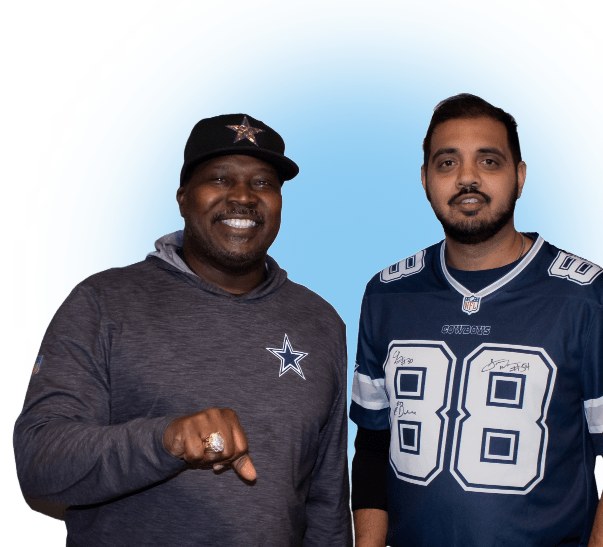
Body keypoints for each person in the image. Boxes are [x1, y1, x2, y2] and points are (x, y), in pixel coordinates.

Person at [14, 113, 352, 546]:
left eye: (264, 183)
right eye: (219, 178)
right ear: (183, 197)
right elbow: (40, 463)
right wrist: (166, 440)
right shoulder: (102, 302)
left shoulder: (320, 321)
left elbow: (325, 501)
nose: (243, 196)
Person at [349, 94, 603, 547]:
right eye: (446, 163)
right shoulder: (387, 294)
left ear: (519, 177)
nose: (467, 178)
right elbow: (373, 447)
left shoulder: (585, 296)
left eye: (488, 161)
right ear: (424, 179)